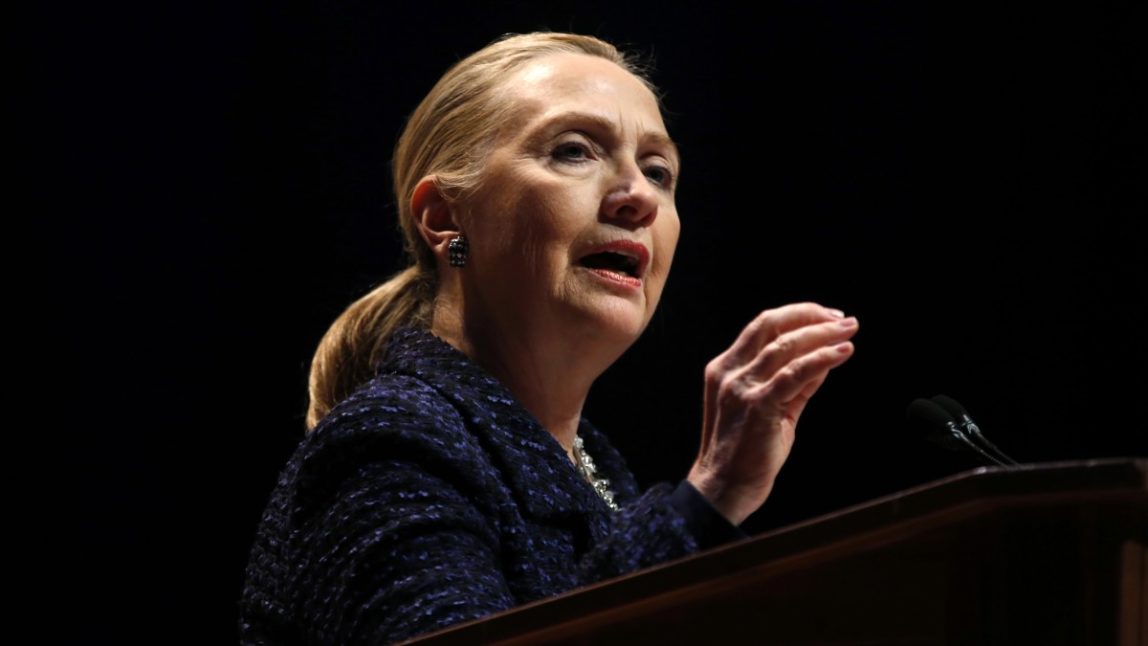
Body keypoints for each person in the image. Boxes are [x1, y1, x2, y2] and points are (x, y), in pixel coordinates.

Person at [238, 31, 858, 644]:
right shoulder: (386, 446)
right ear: (445, 217)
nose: (638, 196)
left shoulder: (600, 470)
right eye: (574, 151)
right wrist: (710, 495)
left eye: (658, 170)